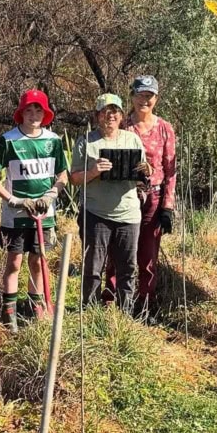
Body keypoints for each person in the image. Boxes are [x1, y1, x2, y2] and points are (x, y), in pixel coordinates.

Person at [70, 93, 151, 314]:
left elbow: (143, 173)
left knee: (128, 269)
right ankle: (89, 313)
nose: (111, 115)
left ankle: (125, 316)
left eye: (115, 111)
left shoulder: (132, 139)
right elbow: (74, 178)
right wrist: (94, 172)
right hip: (95, 213)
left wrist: (146, 170)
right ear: (97, 115)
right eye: (106, 111)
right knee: (93, 268)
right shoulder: (85, 141)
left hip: (128, 215)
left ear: (122, 115)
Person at [0, 90, 68, 333]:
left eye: (38, 110)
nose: (33, 114)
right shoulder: (9, 140)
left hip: (43, 215)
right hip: (15, 216)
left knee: (38, 261)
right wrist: (13, 200)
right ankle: (10, 314)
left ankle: (37, 309)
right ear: (21, 113)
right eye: (29, 110)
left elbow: (62, 175)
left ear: (45, 114)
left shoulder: (54, 140)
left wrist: (51, 195)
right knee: (14, 262)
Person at [104, 75, 176, 315]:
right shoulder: (123, 126)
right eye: (139, 95)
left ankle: (144, 303)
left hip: (152, 199)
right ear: (131, 96)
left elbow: (170, 170)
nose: (144, 100)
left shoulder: (164, 128)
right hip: (124, 196)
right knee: (118, 251)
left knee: (147, 255)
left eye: (149, 96)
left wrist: (167, 206)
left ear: (156, 98)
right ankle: (110, 299)